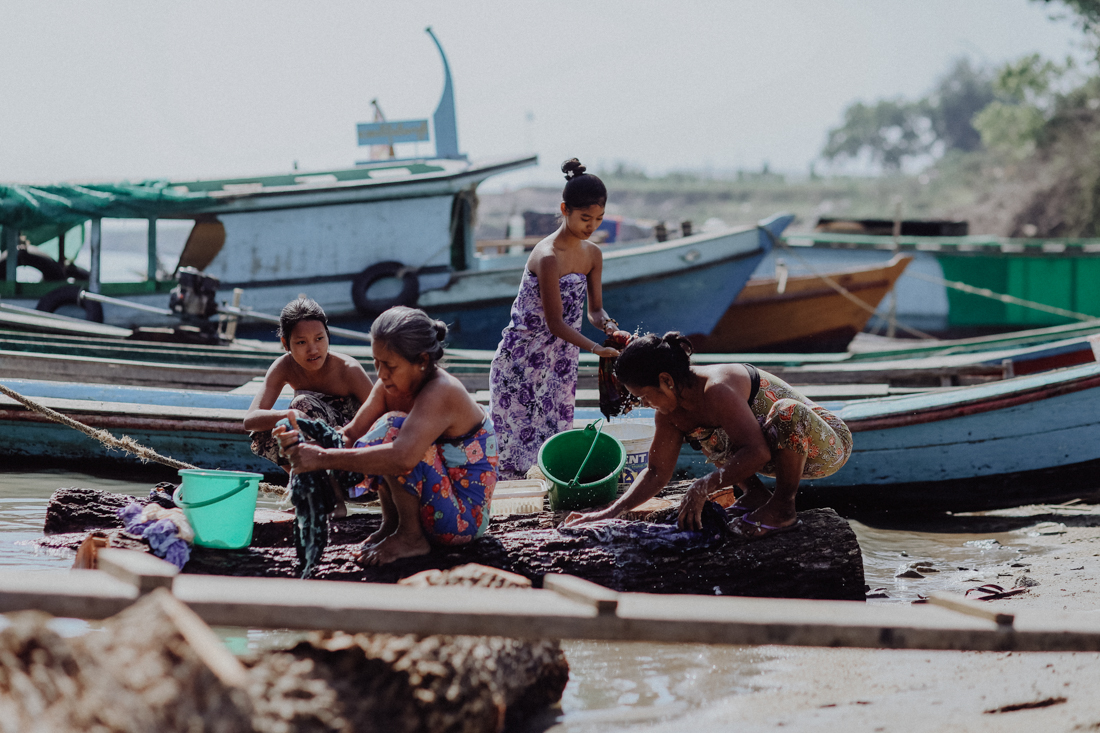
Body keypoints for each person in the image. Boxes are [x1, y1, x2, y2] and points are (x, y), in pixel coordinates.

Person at [563, 332, 853, 538]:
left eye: (645, 397)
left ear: (666, 381)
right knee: (705, 432)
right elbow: (655, 472)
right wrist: (607, 513)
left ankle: (783, 507)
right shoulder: (670, 413)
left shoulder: (716, 389)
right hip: (772, 447)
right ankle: (755, 494)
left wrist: (705, 485)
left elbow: (757, 452)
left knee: (789, 411)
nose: (644, 405)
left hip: (826, 447)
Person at [275, 306, 498, 566]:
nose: (380, 374)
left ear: (422, 361)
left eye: (389, 366)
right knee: (386, 427)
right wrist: (303, 444)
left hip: (461, 521)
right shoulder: (387, 385)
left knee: (394, 429)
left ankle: (410, 536)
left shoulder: (442, 391)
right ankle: (392, 525)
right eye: (376, 363)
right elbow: (350, 435)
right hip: (436, 504)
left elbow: (402, 458)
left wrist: (322, 458)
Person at [489, 158, 624, 480]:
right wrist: (596, 349)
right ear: (565, 209)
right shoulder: (547, 256)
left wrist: (607, 325)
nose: (591, 226)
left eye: (599, 219)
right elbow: (555, 323)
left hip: (560, 360)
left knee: (552, 439)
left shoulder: (593, 254)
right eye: (585, 218)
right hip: (521, 359)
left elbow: (594, 311)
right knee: (514, 449)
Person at [244, 297, 374, 479]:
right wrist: (290, 416)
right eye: (301, 342)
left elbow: (381, 414)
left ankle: (328, 489)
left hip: (353, 450)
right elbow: (250, 420)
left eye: (319, 338)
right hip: (313, 445)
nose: (313, 349)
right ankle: (304, 484)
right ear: (285, 343)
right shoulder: (283, 366)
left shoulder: (348, 369)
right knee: (272, 426)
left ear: (328, 336)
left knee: (302, 403)